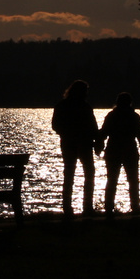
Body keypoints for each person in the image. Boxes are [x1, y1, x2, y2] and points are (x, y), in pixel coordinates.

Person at [51, 79, 101, 217]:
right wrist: (96, 140)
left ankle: (68, 207)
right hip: (83, 143)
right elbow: (93, 126)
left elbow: (55, 125)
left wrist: (66, 133)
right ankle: (87, 207)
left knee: (69, 174)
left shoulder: (62, 106)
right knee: (88, 174)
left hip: (69, 143)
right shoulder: (85, 107)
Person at [100, 92, 140, 215]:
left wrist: (98, 146)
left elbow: (104, 133)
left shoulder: (112, 115)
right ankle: (135, 207)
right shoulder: (134, 116)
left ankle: (109, 207)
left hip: (113, 150)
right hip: (130, 150)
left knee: (112, 180)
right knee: (133, 180)